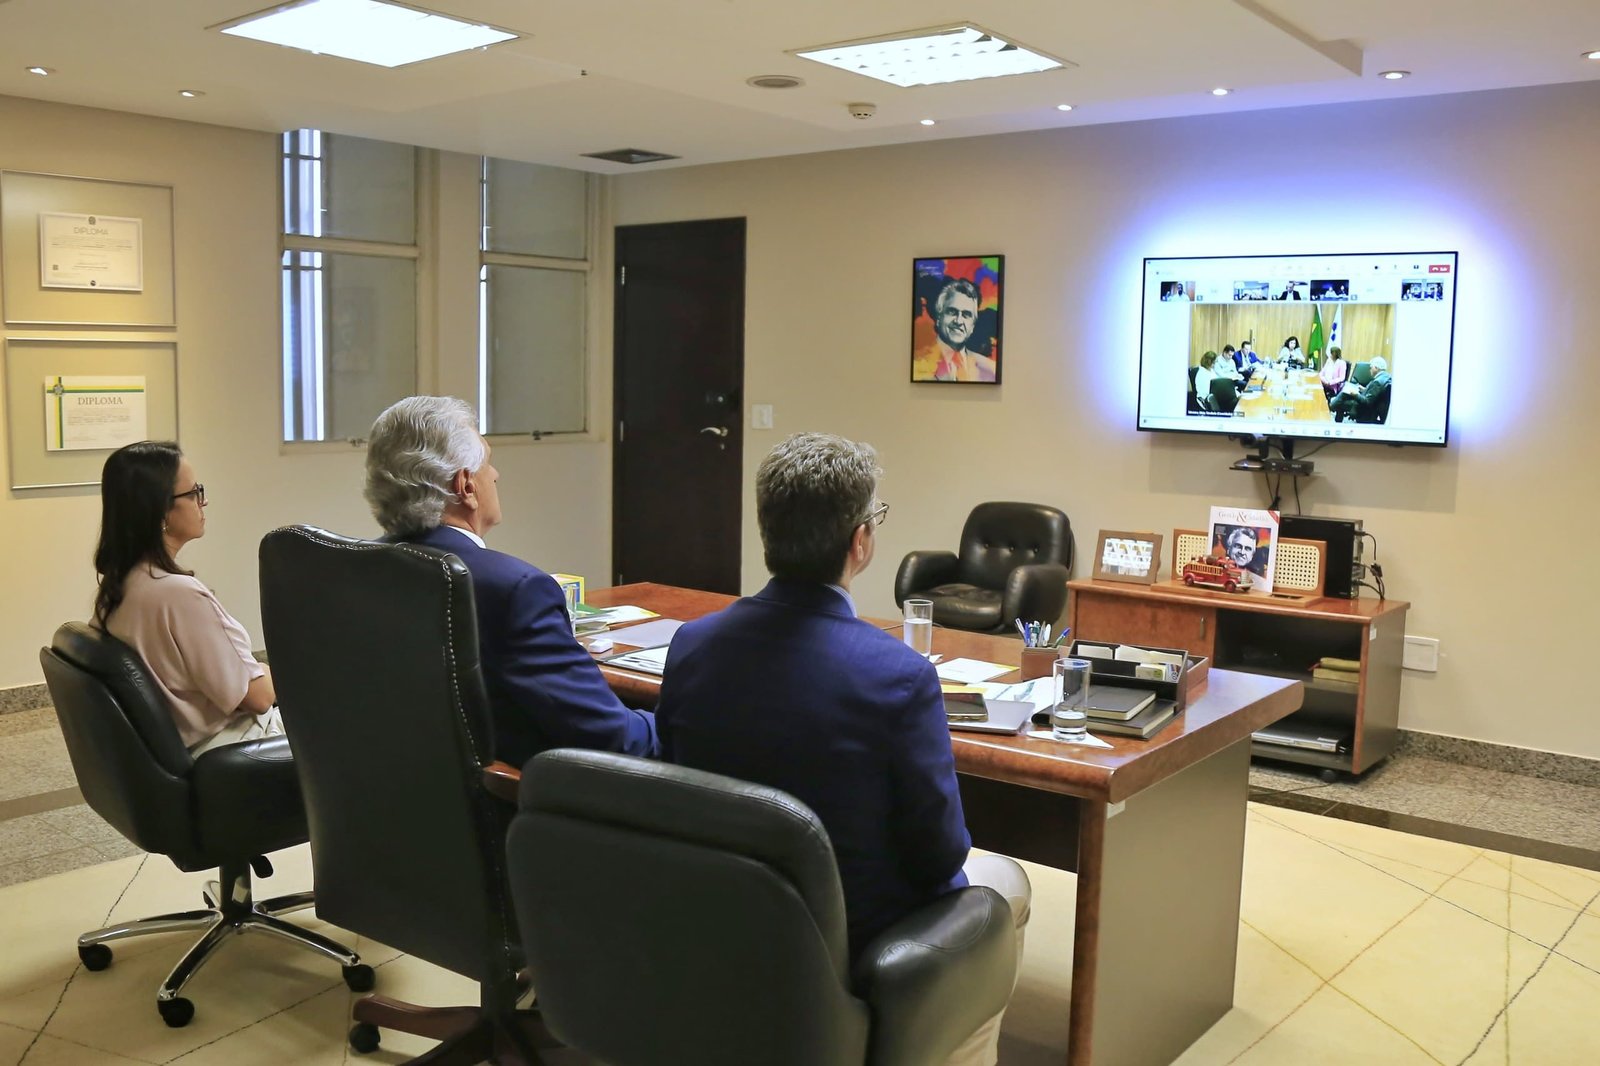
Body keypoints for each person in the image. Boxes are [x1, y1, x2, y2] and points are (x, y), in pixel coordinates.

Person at [655, 432, 1031, 1066]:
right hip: (853, 943)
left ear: (767, 530)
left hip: (715, 917)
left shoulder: (692, 644)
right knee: (1008, 882)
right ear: (860, 541)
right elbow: (939, 854)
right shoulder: (899, 675)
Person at [364, 395, 658, 764]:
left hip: (395, 786)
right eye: (488, 462)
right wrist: (683, 723)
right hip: (523, 793)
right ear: (465, 486)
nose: (495, 475)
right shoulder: (515, 590)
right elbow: (615, 739)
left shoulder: (357, 567)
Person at [93, 441, 280, 754]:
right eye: (193, 493)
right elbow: (258, 698)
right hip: (233, 744)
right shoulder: (178, 595)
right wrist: (276, 671)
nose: (202, 502)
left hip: (190, 746)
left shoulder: (121, 585)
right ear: (160, 510)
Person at [917, 278, 996, 382]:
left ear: (972, 325)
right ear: (938, 318)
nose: (958, 321)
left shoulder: (990, 370)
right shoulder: (918, 363)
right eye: (952, 312)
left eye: (966, 315)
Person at [1332, 355, 1393, 423]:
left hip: (1365, 411)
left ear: (1376, 368)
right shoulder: (1385, 376)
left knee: (1342, 399)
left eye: (1371, 368)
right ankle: (1332, 406)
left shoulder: (1377, 382)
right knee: (1345, 394)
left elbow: (1367, 402)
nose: (1370, 370)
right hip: (1371, 406)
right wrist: (1364, 389)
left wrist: (1355, 394)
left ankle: (1331, 407)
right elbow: (1374, 394)